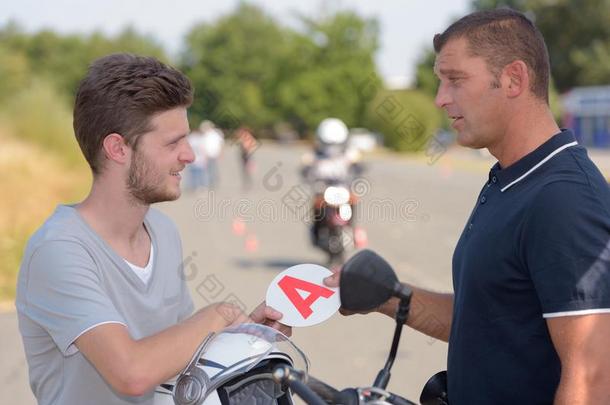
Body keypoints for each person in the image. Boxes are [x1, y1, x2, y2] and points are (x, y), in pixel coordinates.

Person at [325, 8, 610, 404]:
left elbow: (593, 379)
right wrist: (384, 296)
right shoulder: (511, 178)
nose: (441, 99)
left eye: (455, 80)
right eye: (441, 82)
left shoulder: (564, 199)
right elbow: (485, 318)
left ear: (513, 79)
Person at [15, 53, 289, 405]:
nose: (189, 156)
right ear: (118, 148)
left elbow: (177, 355)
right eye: (172, 143)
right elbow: (131, 373)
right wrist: (219, 314)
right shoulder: (58, 250)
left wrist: (247, 331)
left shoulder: (162, 230)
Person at [200, 120, 224, 188]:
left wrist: (221, 153)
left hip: (214, 154)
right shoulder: (205, 135)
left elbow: (221, 143)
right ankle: (211, 182)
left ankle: (213, 182)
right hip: (208, 155)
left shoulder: (216, 133)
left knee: (212, 169)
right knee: (210, 169)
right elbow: (203, 146)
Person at [186, 124, 208, 191]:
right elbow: (203, 149)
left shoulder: (190, 138)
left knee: (195, 174)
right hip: (198, 159)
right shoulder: (199, 138)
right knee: (199, 174)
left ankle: (196, 186)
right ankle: (200, 186)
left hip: (194, 159)